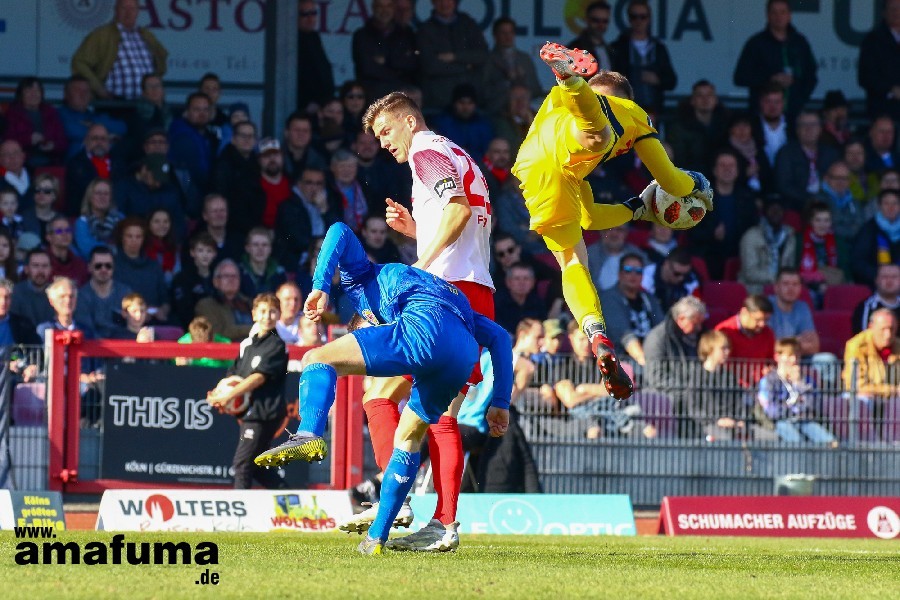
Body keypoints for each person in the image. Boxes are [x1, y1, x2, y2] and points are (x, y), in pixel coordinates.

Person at [253, 222, 512, 555]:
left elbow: (338, 231)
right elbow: (501, 338)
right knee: (408, 437)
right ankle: (376, 537)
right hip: (461, 352)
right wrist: (500, 400)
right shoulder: (433, 287)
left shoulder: (362, 277)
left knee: (317, 358)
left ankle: (308, 433)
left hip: (422, 327)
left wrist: (320, 286)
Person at [511, 42, 712, 401]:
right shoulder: (634, 114)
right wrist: (698, 183)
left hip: (535, 172)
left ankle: (596, 335)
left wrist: (636, 208)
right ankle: (570, 79)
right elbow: (670, 180)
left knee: (574, 261)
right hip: (578, 138)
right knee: (596, 132)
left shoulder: (554, 111)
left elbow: (590, 218)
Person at [357, 90, 497, 551]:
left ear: (410, 121)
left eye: (386, 131)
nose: (384, 143)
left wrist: (421, 265)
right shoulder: (458, 154)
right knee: (440, 414)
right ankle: (445, 523)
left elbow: (456, 209)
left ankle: (398, 503)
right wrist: (416, 232)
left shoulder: (426, 152)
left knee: (378, 396)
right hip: (475, 293)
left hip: (443, 296)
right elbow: (466, 217)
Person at [208, 293, 289, 490]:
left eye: (272, 311)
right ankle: (292, 503)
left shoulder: (276, 345)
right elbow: (233, 375)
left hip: (265, 413)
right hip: (252, 413)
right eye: (262, 311)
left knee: (242, 463)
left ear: (278, 315)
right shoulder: (248, 344)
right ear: (254, 314)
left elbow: (258, 378)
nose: (267, 316)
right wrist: (218, 394)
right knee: (257, 467)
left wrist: (229, 395)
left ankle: (239, 516)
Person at [733, 0, 817, 121]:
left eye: (783, 12)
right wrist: (770, 79)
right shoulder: (756, 43)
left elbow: (811, 74)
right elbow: (740, 77)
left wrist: (800, 99)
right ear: (767, 15)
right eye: (774, 13)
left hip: (794, 115)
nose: (779, 17)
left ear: (789, 15)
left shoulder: (800, 42)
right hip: (761, 117)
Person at [70, 0, 168, 100]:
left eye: (132, 9)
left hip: (146, 104)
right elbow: (79, 62)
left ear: (138, 11)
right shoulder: (101, 35)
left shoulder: (146, 35)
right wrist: (99, 89)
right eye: (124, 8)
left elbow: (161, 61)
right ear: (116, 10)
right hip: (115, 104)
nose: (128, 13)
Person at [643, 295, 706, 437]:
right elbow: (656, 377)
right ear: (682, 319)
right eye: (695, 323)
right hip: (664, 396)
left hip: (689, 394)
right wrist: (686, 389)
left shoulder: (697, 335)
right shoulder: (658, 338)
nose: (699, 328)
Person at [756, 337, 835, 444]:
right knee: (796, 442)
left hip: (804, 421)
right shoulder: (769, 381)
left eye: (796, 356)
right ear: (777, 357)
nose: (794, 360)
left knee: (829, 441)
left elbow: (814, 406)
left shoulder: (807, 381)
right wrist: (794, 412)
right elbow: (771, 409)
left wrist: (799, 384)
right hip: (781, 421)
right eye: (789, 356)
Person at [416, 0, 489, 112]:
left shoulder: (468, 24)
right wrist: (466, 67)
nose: (445, 3)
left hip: (470, 100)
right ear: (433, 3)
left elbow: (482, 55)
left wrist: (454, 56)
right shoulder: (426, 29)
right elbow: (430, 66)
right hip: (439, 102)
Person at [610, 0, 677, 117]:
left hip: (653, 112)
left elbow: (672, 81)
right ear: (629, 19)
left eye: (643, 17)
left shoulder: (659, 48)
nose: (638, 21)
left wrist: (658, 80)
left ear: (649, 19)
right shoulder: (618, 47)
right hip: (625, 110)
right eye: (634, 17)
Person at [842, 308, 900, 442]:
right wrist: (893, 390)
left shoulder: (897, 345)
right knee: (861, 402)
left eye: (891, 329)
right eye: (883, 329)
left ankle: (894, 444)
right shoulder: (856, 346)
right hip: (864, 395)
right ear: (871, 327)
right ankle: (863, 444)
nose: (888, 334)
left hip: (889, 397)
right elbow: (855, 385)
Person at [598, 253, 663, 366]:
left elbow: (661, 329)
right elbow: (624, 335)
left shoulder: (649, 299)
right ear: (620, 274)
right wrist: (646, 363)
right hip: (621, 362)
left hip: (652, 359)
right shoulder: (609, 298)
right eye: (628, 270)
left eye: (638, 271)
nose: (633, 275)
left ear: (642, 276)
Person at [352, 0, 418, 101]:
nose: (384, 10)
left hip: (400, 99)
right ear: (373, 8)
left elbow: (411, 65)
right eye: (380, 6)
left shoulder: (406, 33)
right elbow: (367, 68)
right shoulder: (361, 35)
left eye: (388, 6)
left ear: (394, 9)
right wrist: (397, 66)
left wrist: (386, 61)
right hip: (372, 98)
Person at [774, 111, 839, 211]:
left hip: (827, 205)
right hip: (795, 206)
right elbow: (784, 185)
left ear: (820, 129)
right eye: (804, 125)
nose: (809, 129)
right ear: (797, 130)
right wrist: (810, 199)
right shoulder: (786, 152)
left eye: (813, 125)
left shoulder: (831, 153)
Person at [112, 217, 170, 323]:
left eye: (138, 236)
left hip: (154, 321)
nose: (134, 240)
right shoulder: (112, 265)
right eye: (129, 236)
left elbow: (165, 299)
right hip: (122, 323)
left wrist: (162, 311)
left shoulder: (153, 265)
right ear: (122, 238)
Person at [481, 17, 542, 117]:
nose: (507, 36)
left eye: (511, 32)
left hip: (524, 114)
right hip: (498, 114)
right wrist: (506, 83)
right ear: (495, 35)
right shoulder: (487, 60)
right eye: (503, 33)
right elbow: (483, 92)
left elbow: (536, 90)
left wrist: (522, 80)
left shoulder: (524, 59)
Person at [667, 80, 730, 174]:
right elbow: (679, 161)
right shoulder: (679, 127)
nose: (705, 99)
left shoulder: (727, 125)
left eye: (709, 95)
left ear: (716, 100)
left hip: (719, 179)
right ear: (692, 101)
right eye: (700, 95)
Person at [57, 75, 127, 159]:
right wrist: (106, 136)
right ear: (66, 94)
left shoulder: (95, 116)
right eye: (77, 90)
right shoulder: (58, 114)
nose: (83, 95)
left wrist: (93, 125)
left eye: (86, 91)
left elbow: (122, 127)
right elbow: (72, 131)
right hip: (75, 166)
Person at [715, 294, 777, 386]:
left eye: (766, 320)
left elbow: (772, 360)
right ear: (744, 312)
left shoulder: (767, 333)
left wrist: (770, 369)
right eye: (758, 320)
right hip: (730, 386)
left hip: (759, 387)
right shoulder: (724, 331)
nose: (762, 324)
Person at [739, 196, 797, 295]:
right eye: (772, 209)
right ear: (765, 212)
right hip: (754, 290)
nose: (776, 213)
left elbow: (790, 267)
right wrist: (777, 278)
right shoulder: (751, 236)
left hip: (782, 290)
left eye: (779, 209)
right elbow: (750, 273)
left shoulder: (790, 236)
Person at [4, 77, 67, 167]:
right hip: (23, 162)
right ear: (21, 94)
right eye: (29, 90)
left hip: (50, 161)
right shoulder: (12, 114)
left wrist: (52, 145)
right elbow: (8, 140)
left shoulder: (51, 113)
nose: (34, 94)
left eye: (37, 90)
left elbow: (63, 142)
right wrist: (29, 139)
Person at [75, 246, 131, 339]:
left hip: (124, 345)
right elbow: (86, 330)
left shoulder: (125, 293)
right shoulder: (81, 296)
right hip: (93, 348)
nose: (103, 269)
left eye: (108, 266)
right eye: (98, 266)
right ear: (89, 268)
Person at [858, 0, 900, 121]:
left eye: (899, 8)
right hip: (883, 110)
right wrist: (891, 89)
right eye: (892, 9)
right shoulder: (873, 40)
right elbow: (865, 77)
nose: (896, 12)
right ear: (884, 13)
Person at [168, 92, 216, 195]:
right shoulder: (183, 137)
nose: (202, 114)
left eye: (205, 109)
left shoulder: (207, 135)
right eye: (197, 109)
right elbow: (192, 177)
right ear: (187, 112)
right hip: (189, 201)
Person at [851, 188, 900, 288]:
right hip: (876, 284)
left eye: (895, 203)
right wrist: (883, 276)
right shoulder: (868, 229)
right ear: (879, 206)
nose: (891, 207)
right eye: (886, 203)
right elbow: (858, 263)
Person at [195, 259, 252, 341]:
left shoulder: (250, 303)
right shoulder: (205, 305)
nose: (231, 280)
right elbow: (217, 333)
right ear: (216, 281)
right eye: (226, 276)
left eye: (234, 276)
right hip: (226, 350)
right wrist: (253, 329)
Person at [768, 267, 819, 356]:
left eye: (795, 284)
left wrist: (782, 345)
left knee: (826, 358)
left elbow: (814, 346)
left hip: (797, 359)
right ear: (776, 287)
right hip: (770, 361)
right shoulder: (767, 306)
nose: (791, 288)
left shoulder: (803, 307)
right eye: (786, 284)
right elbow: (766, 345)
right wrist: (797, 341)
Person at [170, 232, 217, 329]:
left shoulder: (219, 276)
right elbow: (182, 309)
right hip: (191, 329)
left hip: (217, 326)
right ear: (192, 252)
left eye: (209, 251)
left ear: (214, 254)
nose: (205, 255)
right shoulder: (182, 279)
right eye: (200, 251)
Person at [296, 0, 335, 114]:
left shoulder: (313, 37)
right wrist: (309, 102)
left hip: (321, 105)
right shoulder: (292, 40)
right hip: (305, 106)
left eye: (313, 13)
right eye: (304, 14)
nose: (310, 18)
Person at [9, 249, 55, 344]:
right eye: (35, 266)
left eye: (45, 266)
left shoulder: (59, 295)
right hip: (22, 348)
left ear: (50, 269)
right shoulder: (15, 293)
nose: (40, 270)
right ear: (26, 269)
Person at [73, 178, 124, 259]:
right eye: (98, 193)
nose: (102, 197)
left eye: (106, 193)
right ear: (90, 197)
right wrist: (112, 249)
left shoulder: (120, 218)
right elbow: (87, 249)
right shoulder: (82, 222)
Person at [642, 247, 699, 314]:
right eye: (677, 274)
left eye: (685, 274)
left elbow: (697, 309)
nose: (681, 278)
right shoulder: (646, 275)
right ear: (666, 264)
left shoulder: (691, 280)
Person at [567, 1, 616, 72]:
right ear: (587, 20)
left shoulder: (611, 51)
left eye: (605, 21)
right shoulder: (575, 50)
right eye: (596, 20)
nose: (600, 25)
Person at [239, 227, 287, 298]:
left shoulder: (279, 274)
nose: (260, 249)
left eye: (264, 245)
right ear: (247, 248)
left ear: (270, 249)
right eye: (255, 245)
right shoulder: (238, 272)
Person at [853, 264, 900, 334]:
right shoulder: (866, 308)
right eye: (885, 277)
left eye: (894, 277)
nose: (889, 280)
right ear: (876, 280)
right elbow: (862, 340)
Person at [45, 215, 88, 286]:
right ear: (49, 237)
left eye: (68, 230)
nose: (65, 234)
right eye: (59, 231)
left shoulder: (80, 265)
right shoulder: (41, 263)